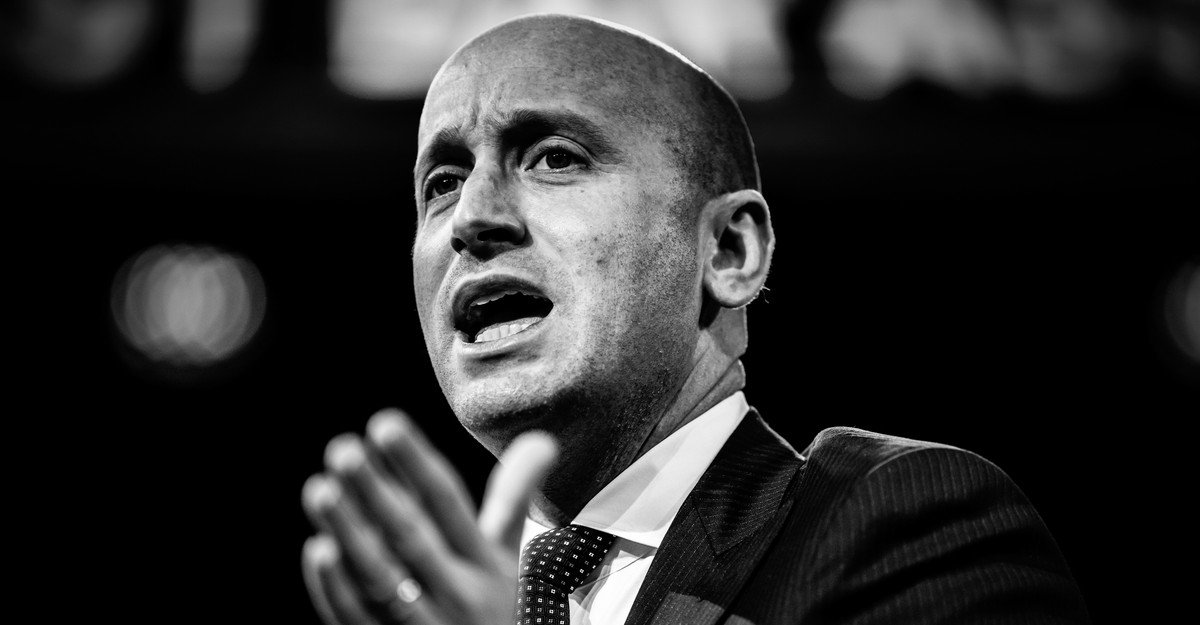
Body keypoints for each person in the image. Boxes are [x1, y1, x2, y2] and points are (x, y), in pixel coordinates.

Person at [300, 13, 1090, 625]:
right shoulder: (418, 603)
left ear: (729, 250)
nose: (472, 217)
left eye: (554, 157)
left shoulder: (904, 523)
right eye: (442, 181)